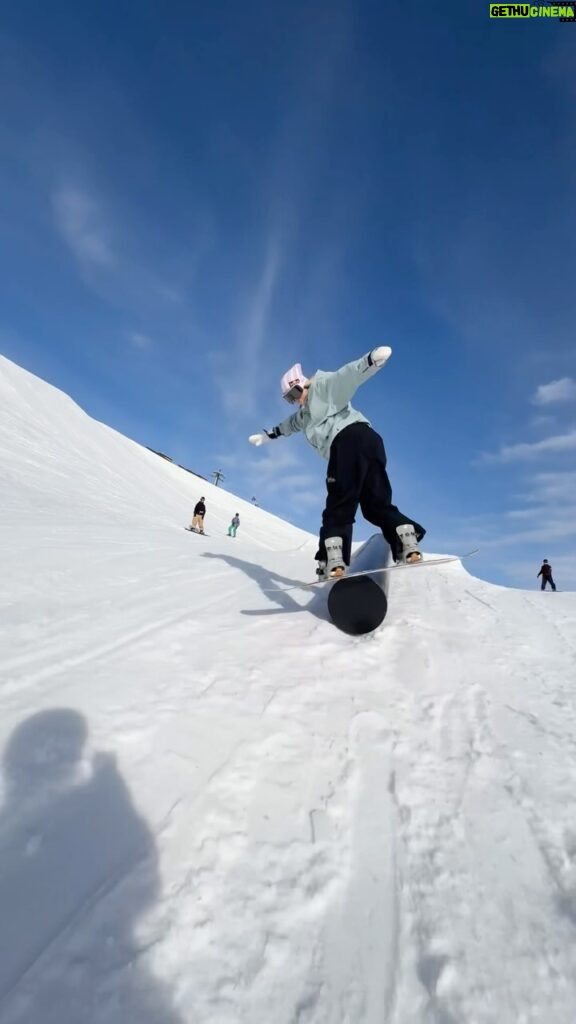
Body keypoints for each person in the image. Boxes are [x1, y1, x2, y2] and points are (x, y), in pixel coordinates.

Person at [248, 348, 425, 579]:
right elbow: (290, 424)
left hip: (346, 442)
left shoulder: (323, 387)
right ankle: (405, 537)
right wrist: (269, 434)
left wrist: (370, 361)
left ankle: (332, 557)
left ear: (303, 384)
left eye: (294, 394)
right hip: (371, 441)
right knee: (375, 504)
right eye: (289, 399)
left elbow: (347, 376)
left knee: (340, 503)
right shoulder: (305, 415)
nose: (295, 401)